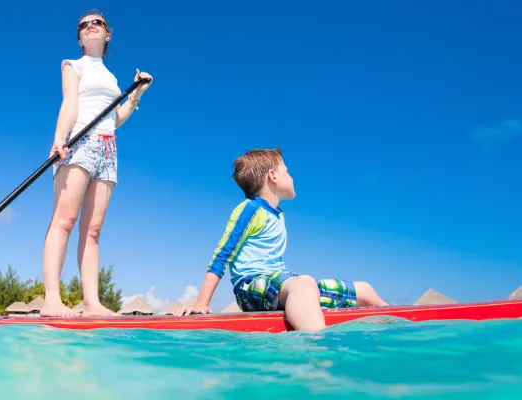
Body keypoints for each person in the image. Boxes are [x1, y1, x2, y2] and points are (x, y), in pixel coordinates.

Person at [177, 149, 387, 330]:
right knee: (303, 283)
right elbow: (222, 254)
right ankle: (318, 352)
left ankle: (405, 329)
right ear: (273, 176)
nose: (292, 177)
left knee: (364, 290)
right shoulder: (251, 209)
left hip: (280, 282)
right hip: (250, 288)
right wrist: (201, 303)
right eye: (287, 171)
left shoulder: (279, 214)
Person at [39, 10, 153, 317]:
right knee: (64, 220)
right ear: (79, 36)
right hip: (80, 142)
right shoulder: (72, 65)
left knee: (93, 231)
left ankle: (91, 303)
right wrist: (59, 138)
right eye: (83, 25)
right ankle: (52, 299)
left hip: (108, 148)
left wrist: (137, 93)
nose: (90, 26)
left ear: (107, 34)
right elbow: (70, 103)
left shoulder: (113, 79)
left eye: (97, 23)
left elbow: (116, 118)